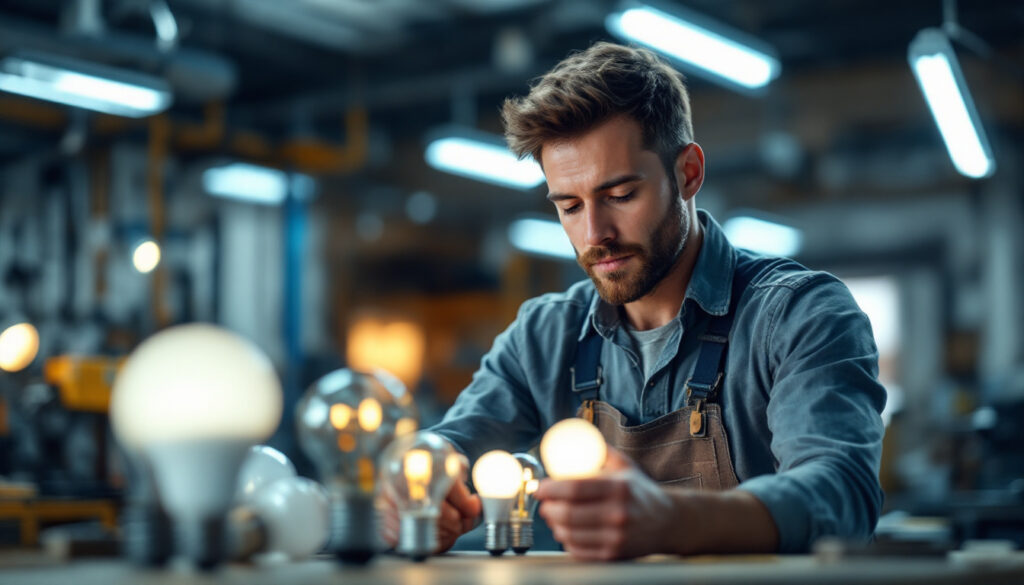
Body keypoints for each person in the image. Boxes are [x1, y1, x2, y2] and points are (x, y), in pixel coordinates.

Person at [381, 42, 886, 560]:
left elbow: (841, 494)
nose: (594, 233)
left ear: (688, 173)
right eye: (570, 206)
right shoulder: (545, 335)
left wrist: (674, 519)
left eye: (620, 196)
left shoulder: (800, 315)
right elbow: (453, 443)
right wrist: (419, 477)